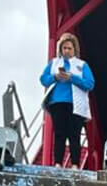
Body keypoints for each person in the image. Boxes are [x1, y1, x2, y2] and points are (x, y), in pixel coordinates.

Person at [39, 33, 95, 169]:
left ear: (74, 49)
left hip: (76, 104)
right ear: (60, 49)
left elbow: (90, 84)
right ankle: (57, 163)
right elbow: (43, 79)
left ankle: (75, 164)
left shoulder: (82, 65)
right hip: (57, 103)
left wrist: (72, 78)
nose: (66, 51)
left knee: (74, 135)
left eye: (69, 48)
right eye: (64, 48)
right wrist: (55, 77)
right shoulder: (54, 63)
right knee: (59, 134)